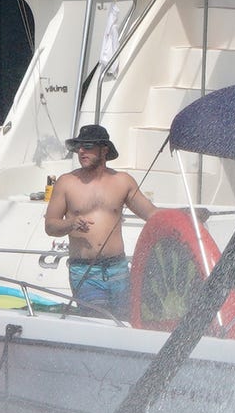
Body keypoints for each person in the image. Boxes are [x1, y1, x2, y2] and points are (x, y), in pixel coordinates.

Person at [44, 124, 158, 317]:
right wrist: (70, 224)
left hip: (118, 269)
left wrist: (187, 215)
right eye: (78, 147)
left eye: (87, 146)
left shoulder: (122, 181)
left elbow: (152, 215)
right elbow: (50, 226)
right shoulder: (66, 182)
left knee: (124, 323)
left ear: (104, 150)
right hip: (85, 270)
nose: (81, 151)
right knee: (98, 321)